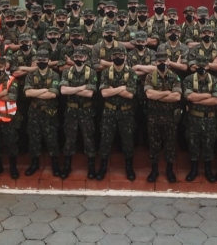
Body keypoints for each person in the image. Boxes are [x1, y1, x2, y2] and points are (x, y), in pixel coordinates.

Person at [96, 45, 138, 181]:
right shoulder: (106, 72)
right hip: (109, 110)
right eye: (115, 56)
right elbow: (104, 93)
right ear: (111, 57)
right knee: (105, 140)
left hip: (126, 112)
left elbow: (130, 94)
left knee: (128, 140)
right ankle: (102, 167)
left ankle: (129, 167)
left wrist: (113, 90)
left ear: (125, 57)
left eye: (121, 56)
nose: (118, 58)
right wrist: (122, 88)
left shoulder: (131, 72)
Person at [59, 45, 99, 180]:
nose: (78, 59)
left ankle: (91, 167)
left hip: (86, 111)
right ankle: (67, 166)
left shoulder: (91, 72)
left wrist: (73, 88)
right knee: (69, 139)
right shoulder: (67, 72)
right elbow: (63, 91)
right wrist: (82, 87)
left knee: (89, 139)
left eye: (81, 57)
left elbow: (89, 93)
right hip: (71, 111)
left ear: (86, 57)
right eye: (76, 57)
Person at [183, 54, 217, 183]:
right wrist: (207, 95)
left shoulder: (215, 80)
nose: (202, 67)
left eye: (204, 65)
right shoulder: (188, 79)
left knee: (208, 144)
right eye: (199, 65)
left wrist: (197, 99)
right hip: (194, 118)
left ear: (208, 66)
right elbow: (189, 97)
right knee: (193, 143)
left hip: (210, 119)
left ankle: (208, 170)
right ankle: (193, 170)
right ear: (195, 66)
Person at [144, 52, 182, 183]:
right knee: (154, 144)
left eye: (164, 61)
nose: (162, 64)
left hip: (170, 117)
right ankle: (154, 170)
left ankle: (169, 170)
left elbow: (177, 97)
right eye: (159, 62)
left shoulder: (174, 77)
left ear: (168, 62)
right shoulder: (150, 76)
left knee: (170, 144)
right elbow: (149, 95)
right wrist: (167, 93)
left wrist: (158, 95)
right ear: (155, 63)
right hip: (154, 115)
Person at [24, 49, 62, 177]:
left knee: (52, 139)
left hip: (49, 113)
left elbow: (52, 94)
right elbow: (27, 93)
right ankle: (34, 164)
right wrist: (45, 89)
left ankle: (55, 165)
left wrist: (38, 92)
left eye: (44, 60)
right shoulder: (31, 75)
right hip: (34, 112)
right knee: (34, 139)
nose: (41, 62)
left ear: (48, 61)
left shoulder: (55, 75)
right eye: (39, 60)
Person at [9, 32, 37, 153]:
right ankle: (21, 143)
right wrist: (29, 69)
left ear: (31, 42)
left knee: (33, 118)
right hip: (19, 91)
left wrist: (22, 69)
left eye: (27, 42)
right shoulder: (15, 55)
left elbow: (38, 68)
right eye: (22, 42)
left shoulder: (36, 54)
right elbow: (14, 73)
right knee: (20, 118)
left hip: (33, 90)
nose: (25, 44)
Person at [128, 31, 156, 147]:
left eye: (142, 41)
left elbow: (155, 69)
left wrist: (138, 67)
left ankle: (146, 142)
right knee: (133, 116)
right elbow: (129, 71)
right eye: (138, 41)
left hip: (147, 87)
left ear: (146, 41)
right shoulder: (129, 54)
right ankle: (134, 142)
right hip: (134, 88)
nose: (140, 43)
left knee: (147, 116)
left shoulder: (153, 53)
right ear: (135, 42)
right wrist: (146, 69)